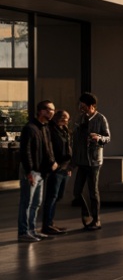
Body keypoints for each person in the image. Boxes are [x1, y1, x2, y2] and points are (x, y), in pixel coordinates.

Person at [18, 99, 55, 243]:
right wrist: (28, 172)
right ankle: (23, 232)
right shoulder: (30, 128)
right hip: (31, 171)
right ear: (41, 111)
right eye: (49, 110)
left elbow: (48, 148)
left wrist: (52, 162)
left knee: (36, 203)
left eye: (52, 110)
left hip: (40, 172)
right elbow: (25, 152)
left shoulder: (44, 127)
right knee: (26, 203)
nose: (52, 112)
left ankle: (32, 230)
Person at [73, 92, 110, 230]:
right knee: (77, 191)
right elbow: (75, 139)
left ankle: (96, 219)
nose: (81, 107)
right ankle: (86, 212)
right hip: (82, 159)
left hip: (94, 160)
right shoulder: (80, 118)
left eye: (83, 105)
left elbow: (108, 137)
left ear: (91, 105)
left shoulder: (101, 119)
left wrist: (98, 137)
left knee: (93, 191)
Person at [41, 109, 72, 236]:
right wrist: (53, 163)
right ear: (58, 118)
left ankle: (50, 223)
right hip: (56, 168)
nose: (67, 120)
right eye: (65, 118)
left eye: (67, 118)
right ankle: (47, 225)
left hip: (65, 167)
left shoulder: (65, 130)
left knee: (58, 196)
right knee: (52, 196)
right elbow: (48, 148)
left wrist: (69, 166)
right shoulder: (50, 130)